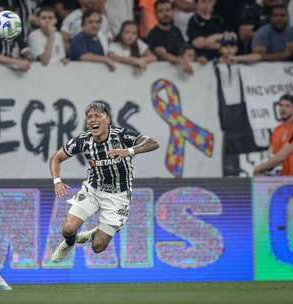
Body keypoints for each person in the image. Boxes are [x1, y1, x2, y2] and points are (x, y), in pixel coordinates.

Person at [50, 102, 159, 262]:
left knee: (98, 247)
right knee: (68, 229)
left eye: (97, 115)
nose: (93, 120)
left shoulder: (121, 135)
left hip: (118, 196)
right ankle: (69, 243)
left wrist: (128, 151)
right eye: (89, 117)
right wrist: (57, 181)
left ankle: (95, 233)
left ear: (107, 119)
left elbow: (153, 143)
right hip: (92, 191)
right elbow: (56, 158)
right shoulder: (83, 141)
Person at [254, 94, 293, 176]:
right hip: (282, 180)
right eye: (281, 105)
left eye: (287, 106)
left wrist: (258, 168)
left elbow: (282, 156)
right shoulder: (277, 130)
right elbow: (271, 155)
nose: (283, 109)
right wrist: (263, 168)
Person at [147, 0, 193, 74]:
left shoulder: (176, 30)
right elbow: (163, 55)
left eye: (168, 10)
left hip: (178, 73)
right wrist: (181, 61)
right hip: (159, 74)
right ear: (155, 14)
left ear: (173, 12)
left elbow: (183, 49)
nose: (165, 14)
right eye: (161, 11)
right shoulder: (153, 34)